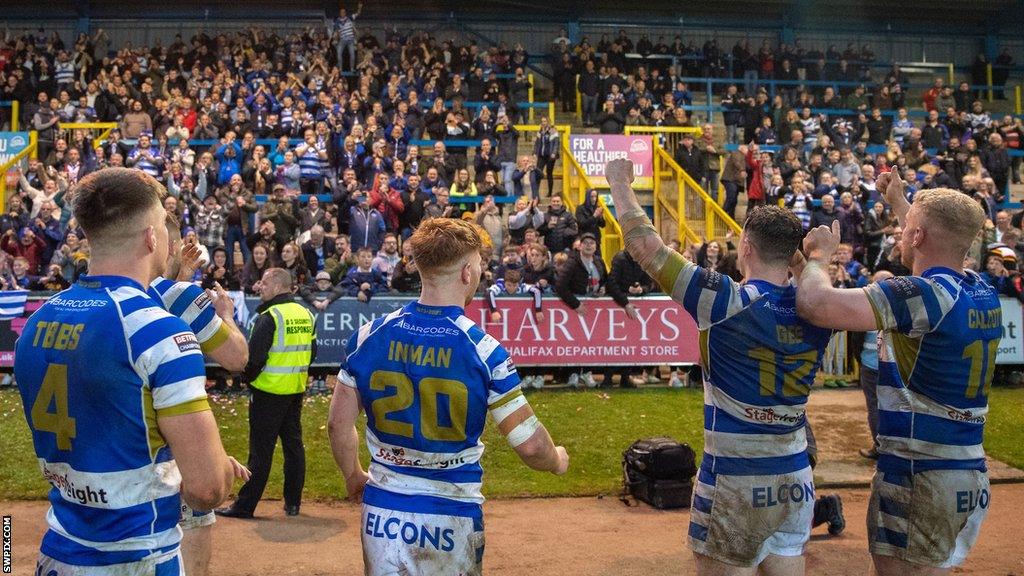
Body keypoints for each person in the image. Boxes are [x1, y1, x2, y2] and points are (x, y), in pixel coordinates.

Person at [605, 158, 840, 576]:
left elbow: (646, 248)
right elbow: (811, 287)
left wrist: (620, 183)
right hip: (794, 476)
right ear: (792, 256)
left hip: (734, 477)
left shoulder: (725, 300)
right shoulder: (818, 309)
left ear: (745, 247)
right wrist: (809, 261)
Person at [14, 168, 240, 574]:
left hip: (59, 550)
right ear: (152, 237)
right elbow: (207, 489)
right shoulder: (157, 331)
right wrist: (219, 465)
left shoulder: (37, 321)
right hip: (137, 556)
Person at [327, 217, 569, 575]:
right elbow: (530, 446)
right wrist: (557, 460)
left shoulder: (369, 335)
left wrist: (352, 475)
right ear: (468, 273)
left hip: (383, 511)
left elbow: (337, 424)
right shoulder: (484, 350)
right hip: (451, 513)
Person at [796, 170, 999, 574]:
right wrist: (902, 205)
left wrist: (819, 258)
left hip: (918, 474)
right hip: (966, 473)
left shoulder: (923, 295)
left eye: (905, 229)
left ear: (919, 236)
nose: (898, 235)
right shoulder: (980, 287)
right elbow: (939, 242)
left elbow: (816, 305)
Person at [149, 215, 251, 576]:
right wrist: (227, 315)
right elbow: (238, 358)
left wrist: (182, 274)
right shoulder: (180, 295)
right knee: (193, 551)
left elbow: (156, 306)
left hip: (110, 471)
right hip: (174, 456)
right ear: (164, 244)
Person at [217, 268, 317, 519]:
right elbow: (312, 352)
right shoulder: (305, 313)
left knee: (260, 452)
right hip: (294, 390)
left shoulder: (270, 316)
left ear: (276, 286)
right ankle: (293, 503)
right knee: (294, 447)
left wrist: (247, 380)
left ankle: (245, 506)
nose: (259, 287)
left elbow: (253, 359)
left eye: (264, 282)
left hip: (267, 392)